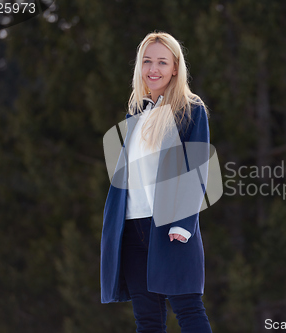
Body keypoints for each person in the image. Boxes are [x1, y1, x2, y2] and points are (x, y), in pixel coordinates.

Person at [100, 31, 213, 333]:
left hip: (169, 228)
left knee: (188, 309)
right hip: (132, 229)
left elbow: (198, 171)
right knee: (147, 319)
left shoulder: (191, 110)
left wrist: (183, 224)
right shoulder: (136, 113)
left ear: (176, 67)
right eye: (147, 61)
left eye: (162, 62)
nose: (154, 68)